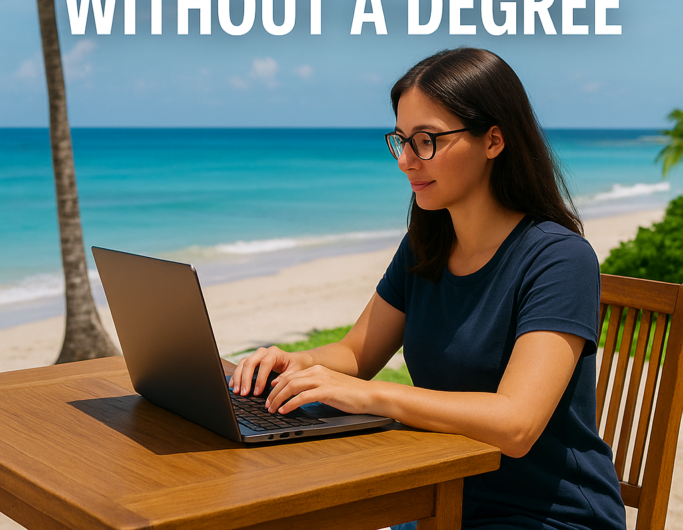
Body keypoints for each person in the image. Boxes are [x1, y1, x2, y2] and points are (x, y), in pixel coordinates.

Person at [231, 47, 627, 530]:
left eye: (427, 140)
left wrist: (369, 396)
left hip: (546, 516)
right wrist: (299, 363)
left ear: (494, 141)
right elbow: (357, 352)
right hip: (438, 499)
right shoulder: (427, 244)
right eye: (401, 141)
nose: (406, 162)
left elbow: (515, 425)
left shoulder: (558, 258)